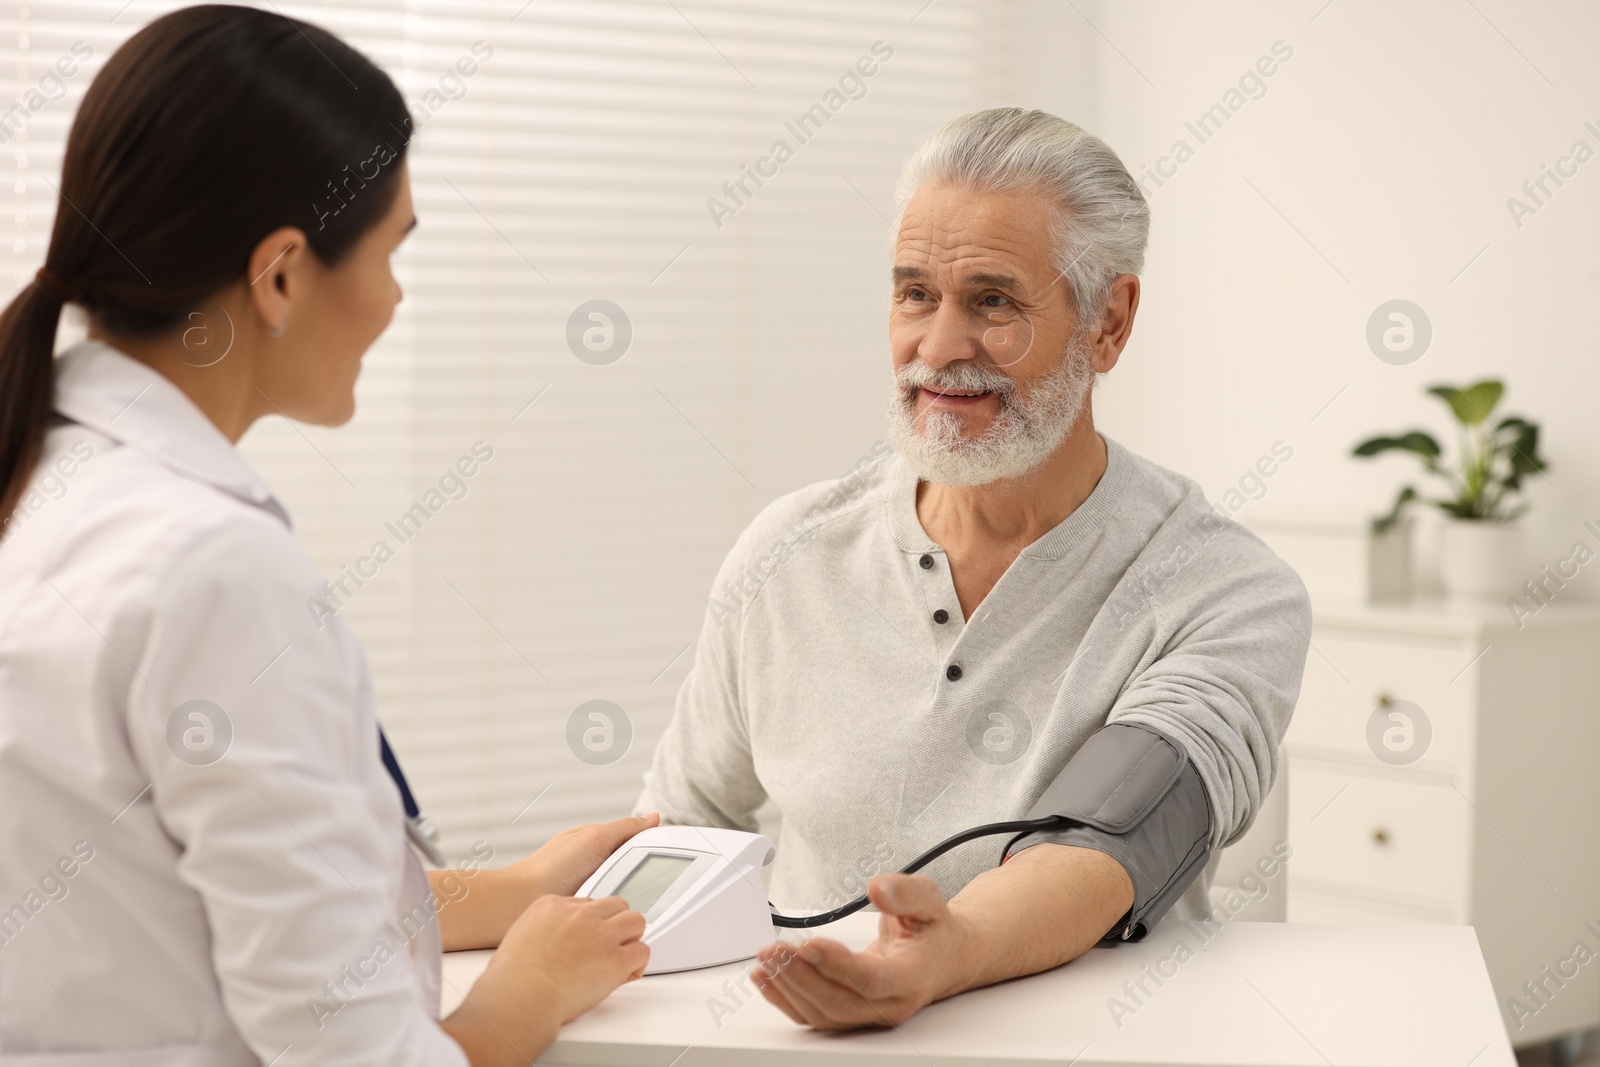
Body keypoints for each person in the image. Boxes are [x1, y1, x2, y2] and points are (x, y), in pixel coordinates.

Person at [0, 7, 652, 1065]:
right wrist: (524, 996)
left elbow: (165, 870)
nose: (395, 297)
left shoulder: (40, 484)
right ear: (283, 274)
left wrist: (521, 890)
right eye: (393, 250)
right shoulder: (210, 566)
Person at [634, 107, 1313, 1029]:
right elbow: (677, 834)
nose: (940, 349)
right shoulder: (786, 553)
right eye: (915, 293)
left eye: (993, 301)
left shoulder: (1222, 589)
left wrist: (944, 956)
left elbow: (1112, 833)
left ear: (1107, 323)